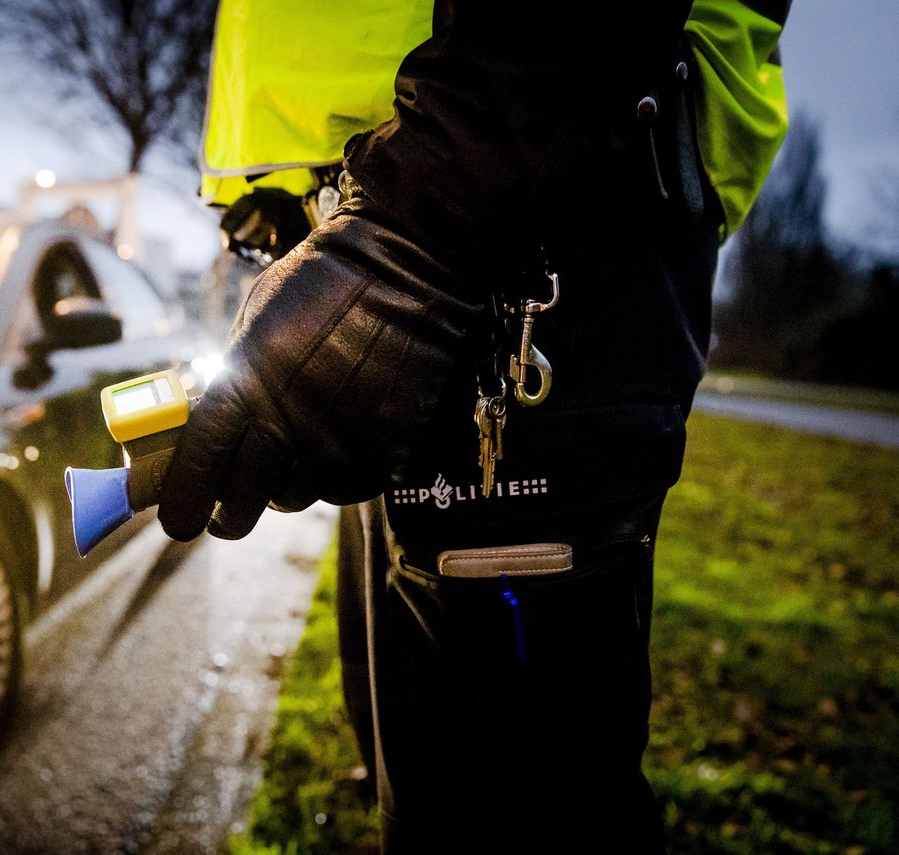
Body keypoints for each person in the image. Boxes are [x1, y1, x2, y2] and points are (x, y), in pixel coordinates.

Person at [161, 1, 790, 850]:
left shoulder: (440, 208)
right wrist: (281, 216)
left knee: (512, 813)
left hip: (509, 192)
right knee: (413, 775)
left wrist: (424, 218)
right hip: (390, 209)